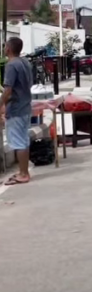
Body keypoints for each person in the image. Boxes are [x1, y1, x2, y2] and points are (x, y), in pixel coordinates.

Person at [2, 37, 34, 185]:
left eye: (5, 46)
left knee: (19, 142)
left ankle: (23, 173)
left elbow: (8, 90)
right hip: (26, 105)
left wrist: (1, 104)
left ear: (8, 48)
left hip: (16, 108)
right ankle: (23, 171)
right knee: (24, 140)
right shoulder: (25, 62)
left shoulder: (11, 65)